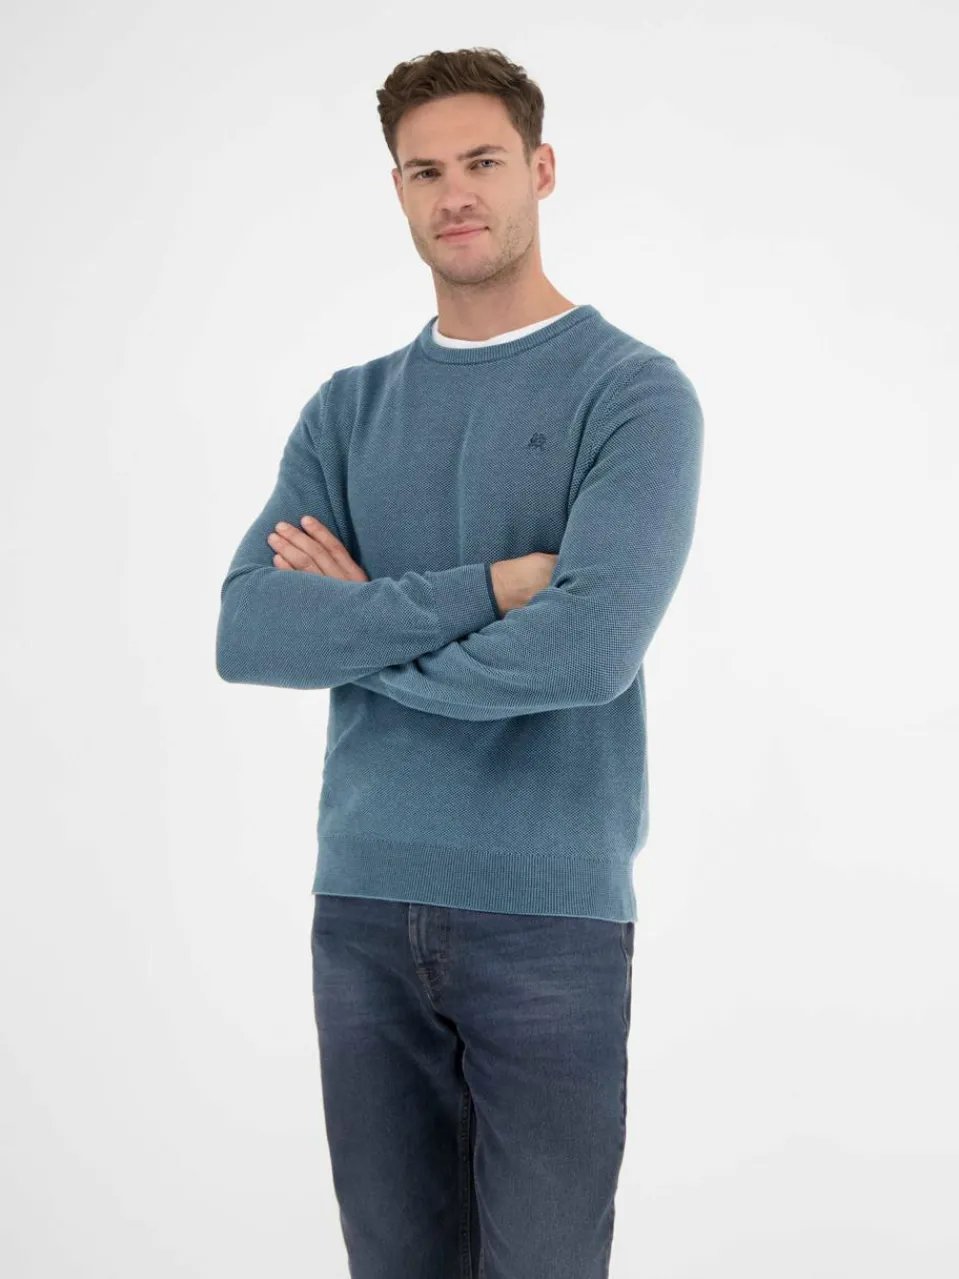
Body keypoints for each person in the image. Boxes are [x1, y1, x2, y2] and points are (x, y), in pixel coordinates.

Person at [216, 45, 704, 1279]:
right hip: (361, 905)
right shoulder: (346, 409)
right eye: (423, 171)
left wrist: (360, 629)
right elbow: (250, 629)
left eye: (482, 161)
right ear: (396, 190)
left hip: (547, 915)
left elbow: (586, 651)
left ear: (540, 169)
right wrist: (489, 588)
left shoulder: (632, 394)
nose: (455, 194)